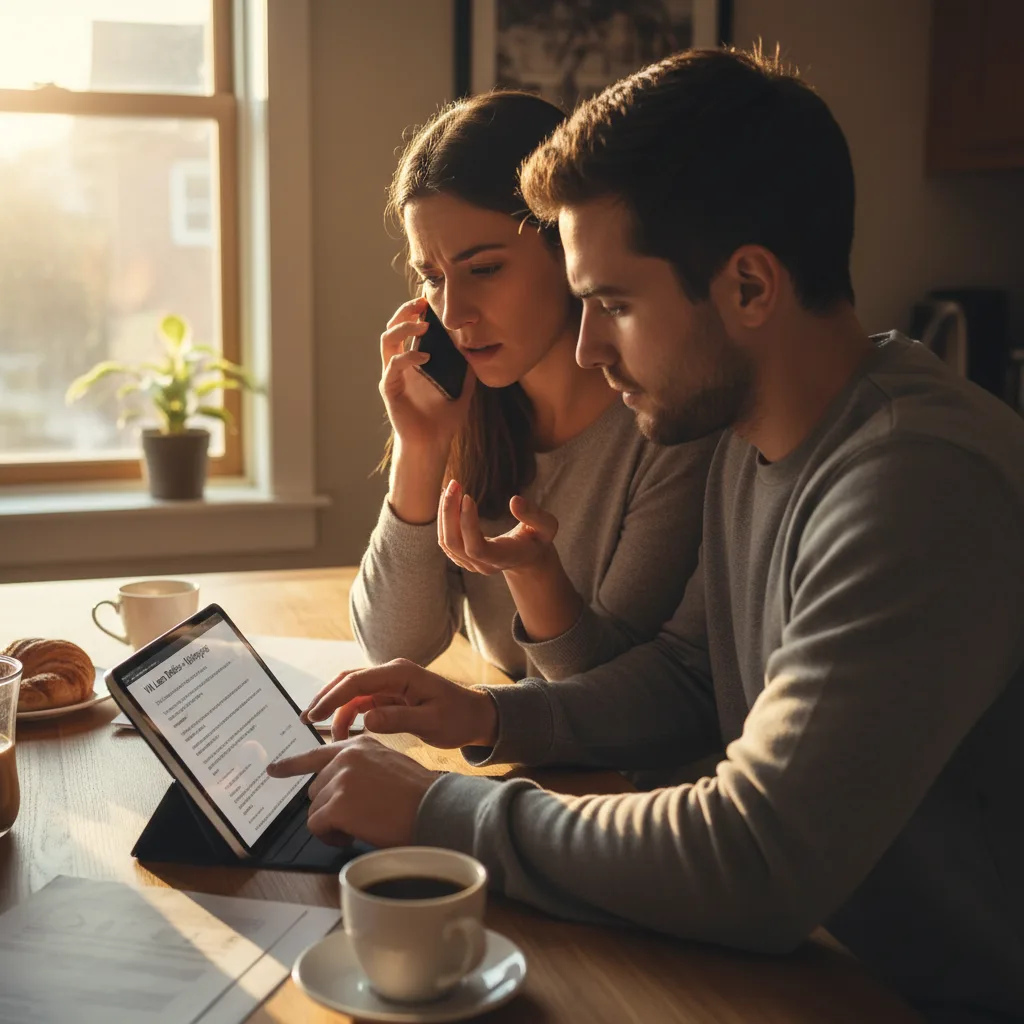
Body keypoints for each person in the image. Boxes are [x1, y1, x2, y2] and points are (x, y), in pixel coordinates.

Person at [269, 48, 1024, 1023]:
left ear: (749, 287)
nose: (586, 348)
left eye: (613, 305)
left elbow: (755, 858)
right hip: (814, 958)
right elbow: (691, 677)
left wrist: (431, 808)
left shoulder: (912, 479)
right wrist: (490, 722)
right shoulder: (762, 436)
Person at [348, 90, 716, 690]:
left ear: (568, 248)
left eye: (485, 269)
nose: (455, 314)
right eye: (432, 278)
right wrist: (419, 450)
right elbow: (394, 645)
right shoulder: (467, 412)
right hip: (514, 752)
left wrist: (534, 576)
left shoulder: (664, 428)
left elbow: (607, 694)